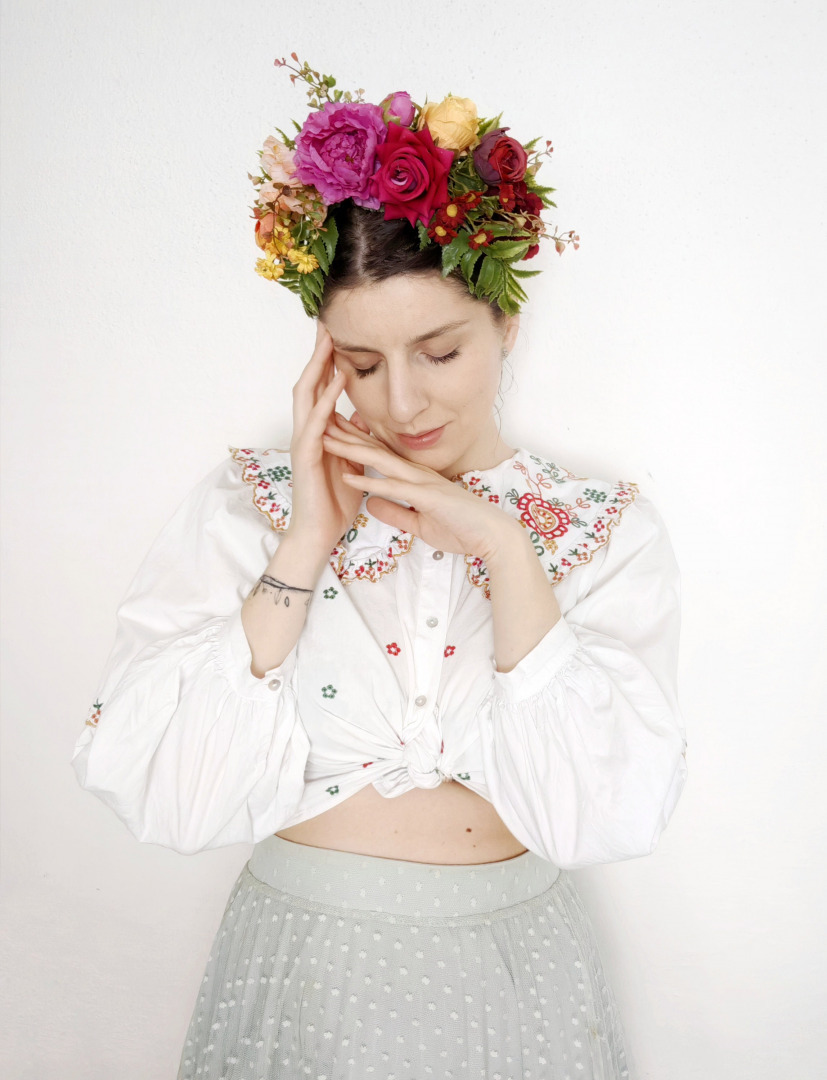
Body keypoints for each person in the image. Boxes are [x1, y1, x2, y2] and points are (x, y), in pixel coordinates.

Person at [71, 58, 687, 1079]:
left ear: (505, 323)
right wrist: (305, 543)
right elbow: (159, 789)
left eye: (438, 352)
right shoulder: (251, 507)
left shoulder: (598, 529)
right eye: (361, 364)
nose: (401, 403)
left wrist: (502, 550)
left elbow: (605, 814)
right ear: (323, 356)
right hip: (304, 970)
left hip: (516, 977)